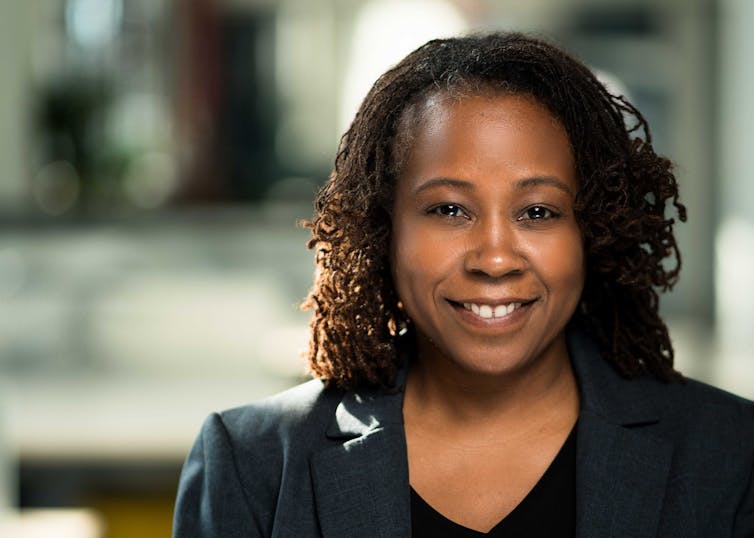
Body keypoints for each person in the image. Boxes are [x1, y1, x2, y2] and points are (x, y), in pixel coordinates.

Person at [173, 32, 754, 537]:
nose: (496, 258)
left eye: (538, 212)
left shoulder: (730, 454)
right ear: (384, 229)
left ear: (593, 232)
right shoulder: (251, 464)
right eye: (449, 210)